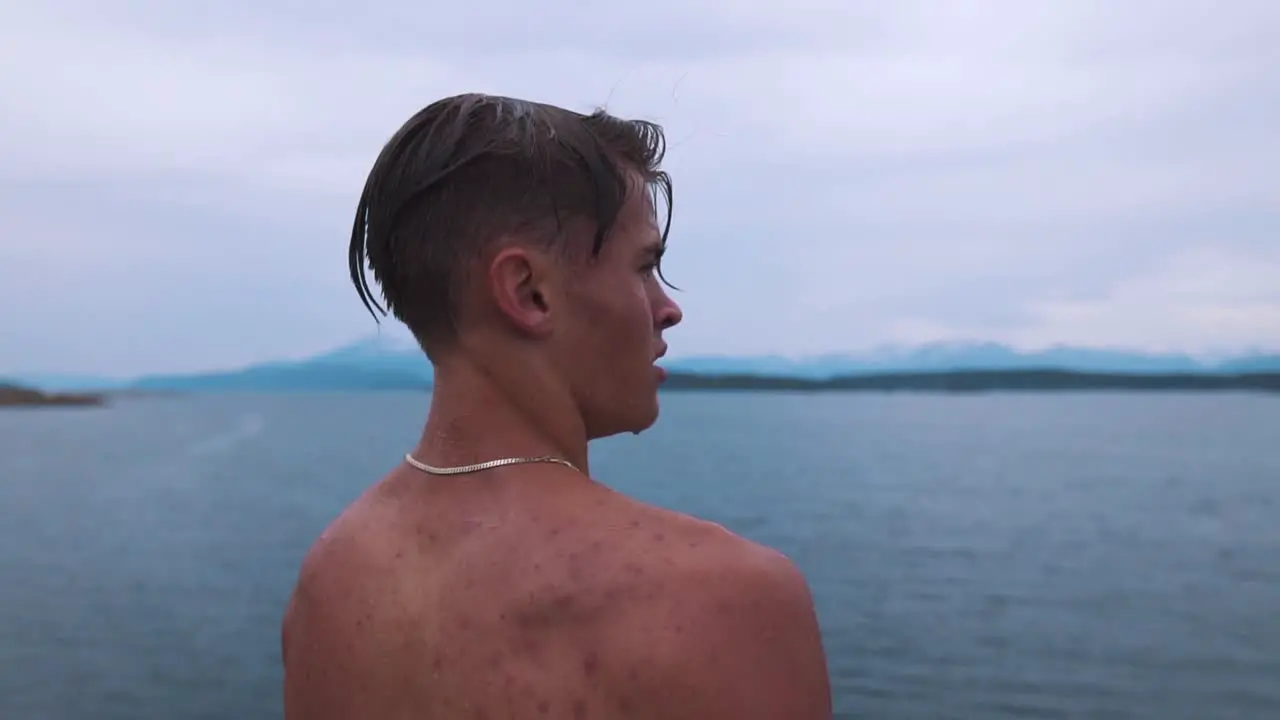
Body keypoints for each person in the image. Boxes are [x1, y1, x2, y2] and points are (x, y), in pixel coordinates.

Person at [281, 93, 832, 719]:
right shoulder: (721, 599)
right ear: (529, 292)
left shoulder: (331, 580)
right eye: (644, 265)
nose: (668, 307)